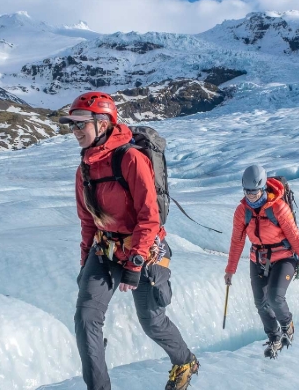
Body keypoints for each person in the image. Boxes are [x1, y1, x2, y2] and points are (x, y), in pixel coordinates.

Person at [61, 92, 199, 390]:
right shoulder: (83, 169)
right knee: (86, 321)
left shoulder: (131, 159)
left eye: (80, 123)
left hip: (144, 250)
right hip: (106, 249)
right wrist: (85, 260)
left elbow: (149, 217)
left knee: (152, 321)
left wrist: (136, 261)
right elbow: (88, 221)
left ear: (103, 123)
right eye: (71, 124)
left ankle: (185, 360)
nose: (75, 131)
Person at [223, 165, 299, 358]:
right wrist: (230, 269)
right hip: (258, 259)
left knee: (275, 297)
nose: (251, 195)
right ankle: (274, 337)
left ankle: (287, 325)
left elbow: (294, 236)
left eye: (254, 191)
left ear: (263, 187)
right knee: (261, 303)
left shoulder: (278, 208)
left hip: (284, 258)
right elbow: (237, 241)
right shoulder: (242, 211)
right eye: (247, 191)